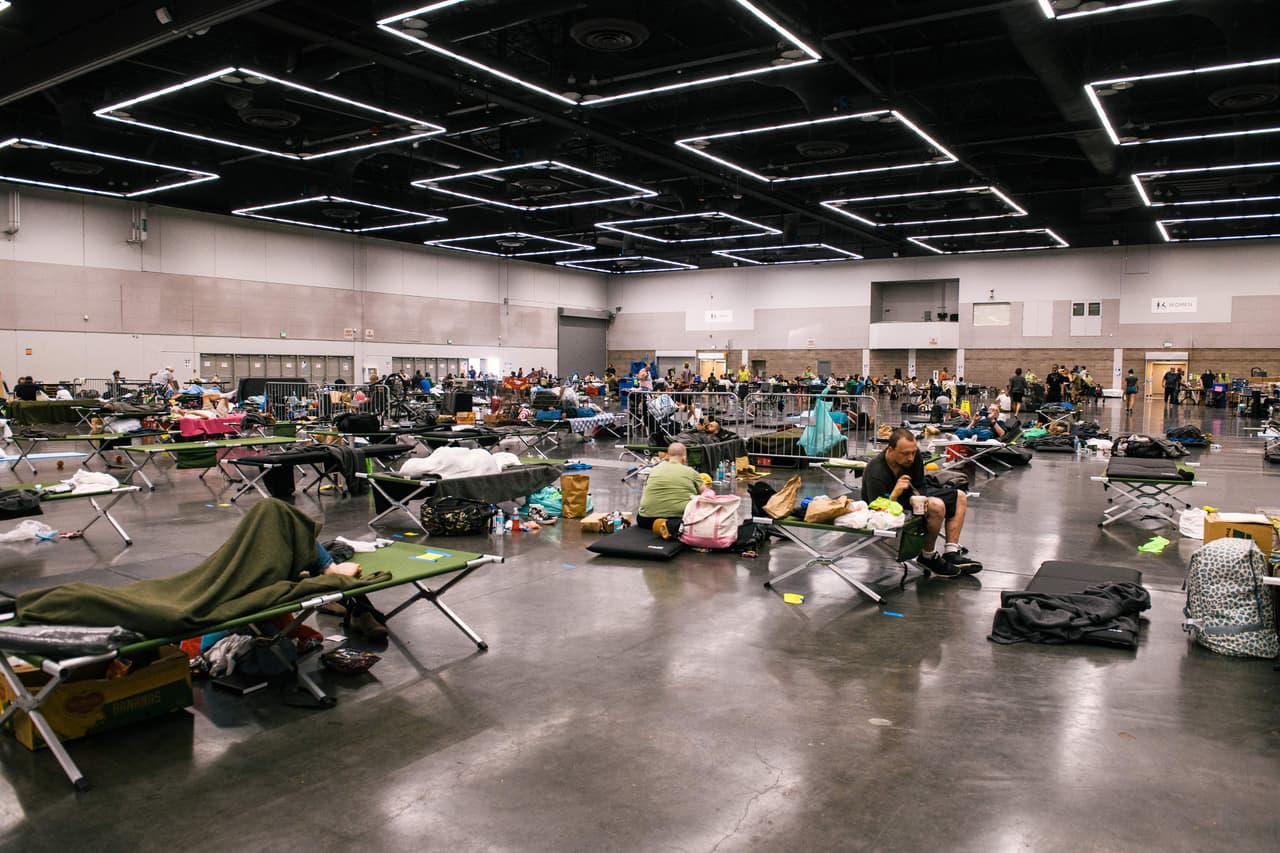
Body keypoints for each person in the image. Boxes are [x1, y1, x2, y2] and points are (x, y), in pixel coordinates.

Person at [861, 428, 980, 577]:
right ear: (890, 450)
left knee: (960, 496)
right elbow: (876, 510)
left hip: (909, 497)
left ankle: (951, 552)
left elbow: (920, 485)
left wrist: (920, 498)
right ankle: (928, 556)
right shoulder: (876, 471)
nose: (910, 458)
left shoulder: (914, 456)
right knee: (936, 506)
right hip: (885, 505)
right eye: (905, 454)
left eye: (913, 452)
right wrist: (895, 494)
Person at [637, 442, 705, 539]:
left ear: (667, 456)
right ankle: (669, 525)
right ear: (684, 458)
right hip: (680, 518)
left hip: (645, 520)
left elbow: (645, 491)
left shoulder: (654, 470)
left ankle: (662, 524)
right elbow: (706, 495)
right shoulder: (691, 472)